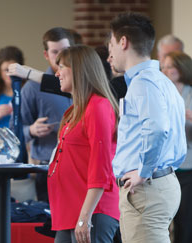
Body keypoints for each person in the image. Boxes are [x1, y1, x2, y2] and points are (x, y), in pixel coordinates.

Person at [109, 12, 187, 243]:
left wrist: (144, 172)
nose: (109, 54)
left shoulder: (143, 82)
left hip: (146, 189)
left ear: (123, 42)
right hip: (156, 185)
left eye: (111, 44)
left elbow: (157, 129)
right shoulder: (161, 80)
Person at [47, 45, 120, 243]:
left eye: (61, 67)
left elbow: (101, 166)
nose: (57, 73)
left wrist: (84, 217)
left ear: (78, 70)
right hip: (70, 209)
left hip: (93, 210)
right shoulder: (74, 111)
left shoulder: (98, 107)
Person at [14, 27, 73, 202]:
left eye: (65, 51)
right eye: (55, 52)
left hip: (80, 168)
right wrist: (31, 130)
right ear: (46, 55)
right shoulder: (33, 87)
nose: (60, 57)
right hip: (48, 168)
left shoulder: (85, 85)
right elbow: (13, 131)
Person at [162, 51, 192, 243]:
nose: (165, 71)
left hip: (189, 166)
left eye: (169, 66)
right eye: (163, 67)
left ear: (181, 68)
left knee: (185, 220)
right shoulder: (163, 92)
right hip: (167, 166)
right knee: (165, 221)